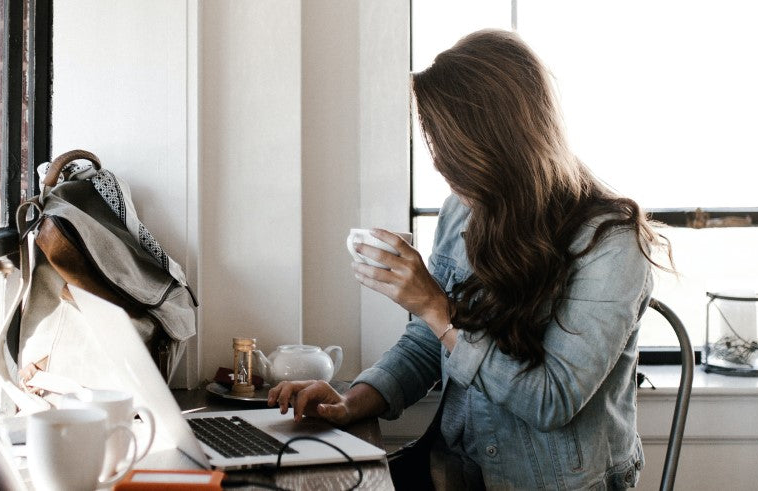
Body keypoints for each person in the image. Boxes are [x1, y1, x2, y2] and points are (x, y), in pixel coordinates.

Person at [267, 29, 671, 489]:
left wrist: (435, 306)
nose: (440, 164)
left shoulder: (611, 244)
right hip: (454, 471)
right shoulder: (465, 208)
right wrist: (352, 400)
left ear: (498, 143)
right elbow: (428, 342)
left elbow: (551, 401)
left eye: (449, 149)